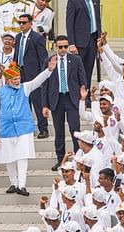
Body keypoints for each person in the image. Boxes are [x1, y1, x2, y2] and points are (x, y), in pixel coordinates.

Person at [0, 57, 57, 196]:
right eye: (14, 78)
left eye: (18, 78)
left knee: (22, 156)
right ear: (8, 79)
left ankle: (22, 185)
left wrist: (48, 70)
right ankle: (13, 183)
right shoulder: (0, 92)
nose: (17, 81)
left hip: (24, 127)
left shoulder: (25, 88)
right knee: (9, 157)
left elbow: (36, 81)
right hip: (6, 128)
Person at [41, 35, 86, 170]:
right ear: (55, 47)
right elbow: (45, 84)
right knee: (59, 131)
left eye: (65, 46)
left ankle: (79, 157)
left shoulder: (75, 60)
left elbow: (82, 78)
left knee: (75, 130)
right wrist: (44, 104)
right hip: (56, 99)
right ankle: (60, 159)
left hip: (71, 98)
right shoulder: (49, 61)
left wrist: (83, 94)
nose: (63, 49)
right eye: (60, 47)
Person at [14, 14, 49, 139]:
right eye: (20, 23)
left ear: (30, 24)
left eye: (24, 23)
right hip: (20, 73)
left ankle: (43, 128)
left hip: (34, 75)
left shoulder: (37, 38)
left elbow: (43, 59)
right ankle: (27, 128)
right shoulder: (18, 37)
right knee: (24, 103)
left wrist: (42, 76)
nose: (21, 25)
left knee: (37, 102)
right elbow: (17, 55)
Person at [66, 0, 101, 106]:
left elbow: (98, 20)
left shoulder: (95, 1)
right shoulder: (73, 2)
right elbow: (69, 22)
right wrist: (71, 43)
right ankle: (76, 97)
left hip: (93, 39)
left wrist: (99, 38)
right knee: (78, 72)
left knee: (89, 70)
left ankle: (86, 96)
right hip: (79, 41)